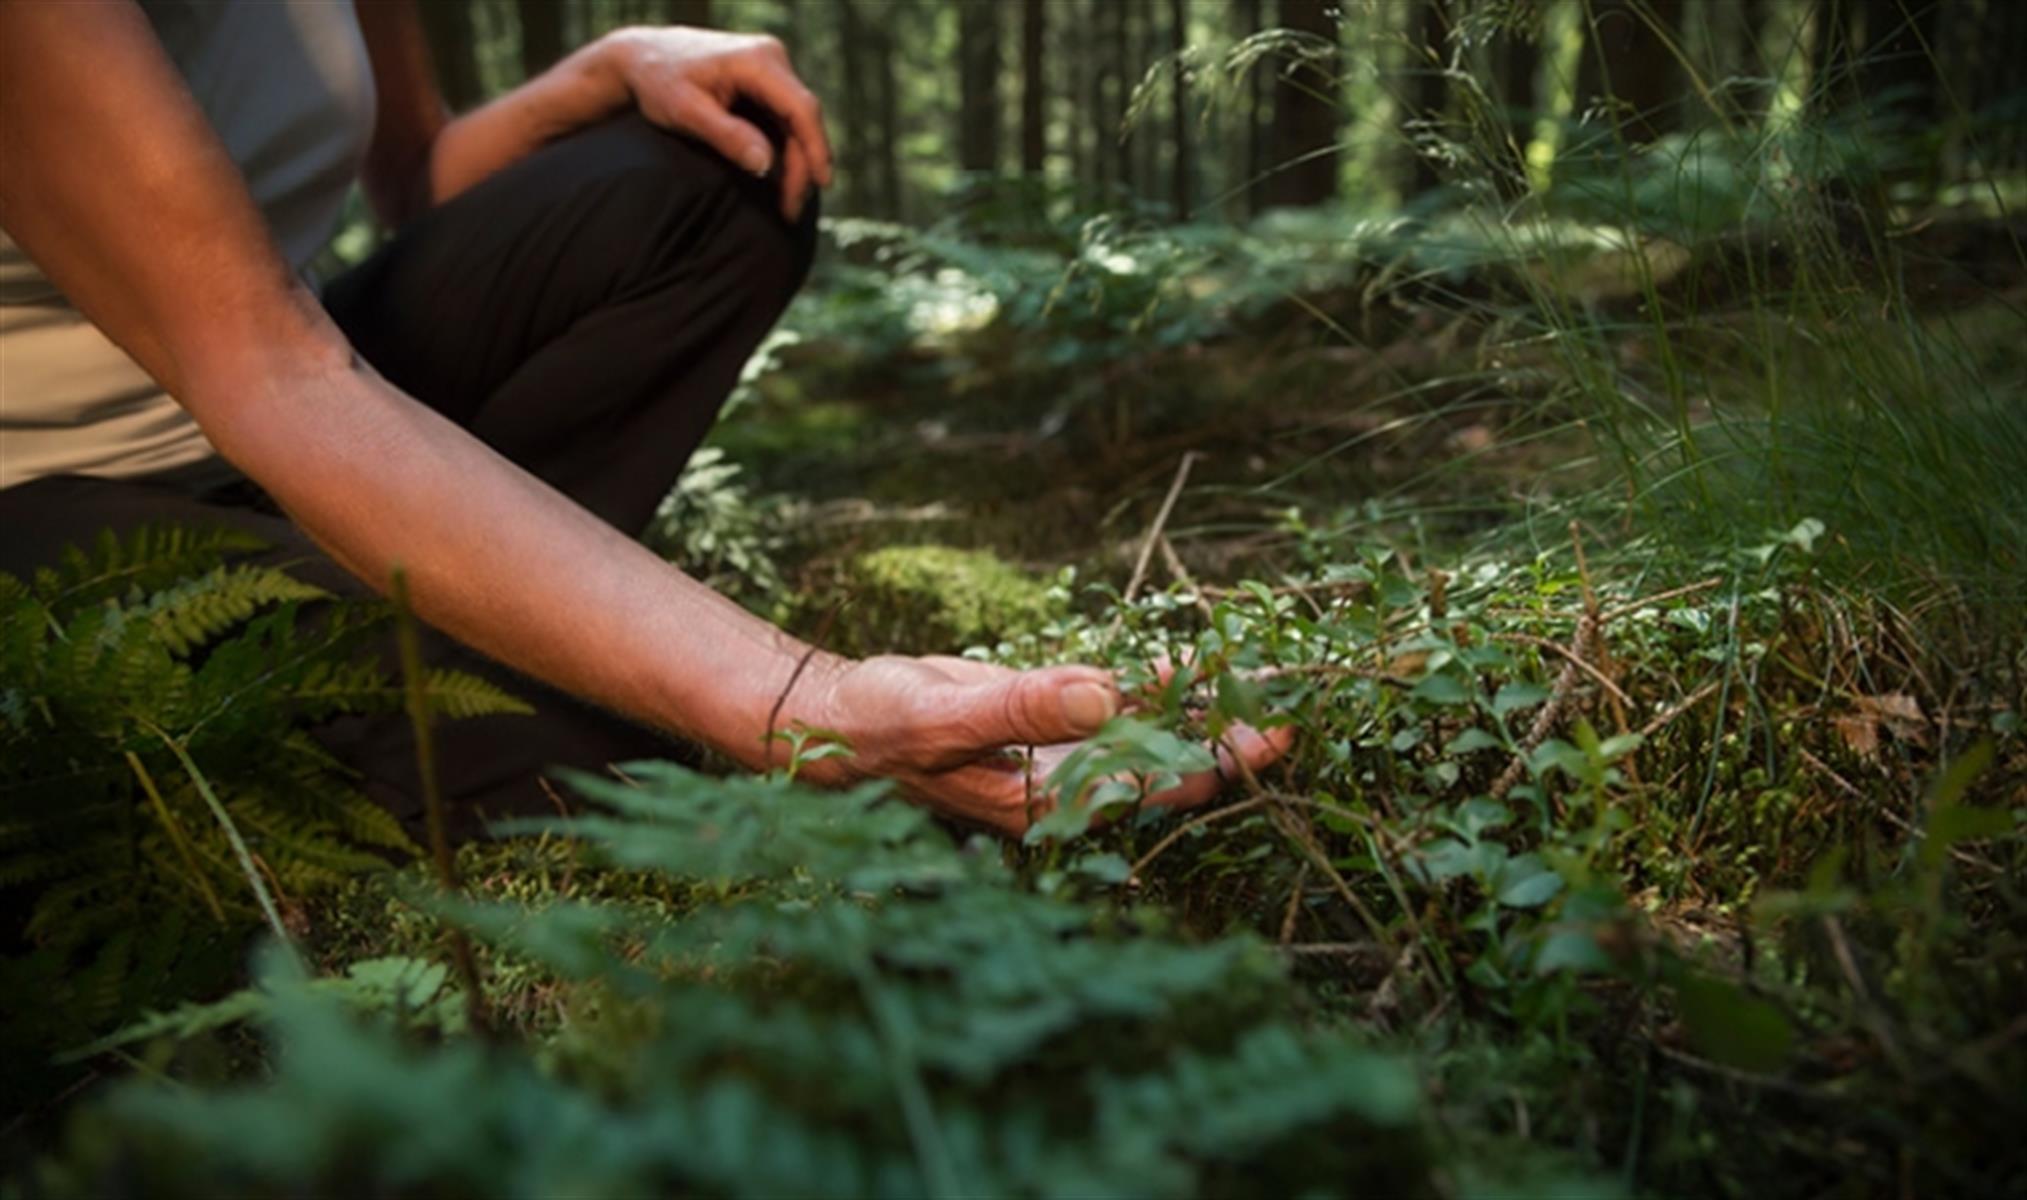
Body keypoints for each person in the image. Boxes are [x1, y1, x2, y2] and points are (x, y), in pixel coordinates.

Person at [0, 1, 1288, 838]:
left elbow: (416, 183)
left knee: (716, 177)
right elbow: (265, 373)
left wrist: (609, 69)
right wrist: (805, 698)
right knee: (613, 746)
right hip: (64, 488)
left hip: (305, 381)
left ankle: (482, 603)